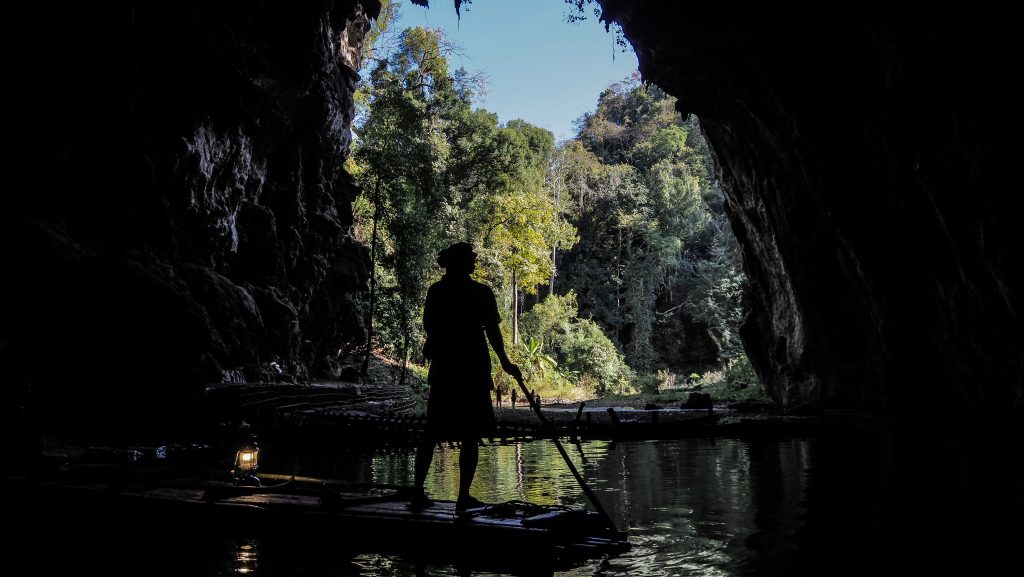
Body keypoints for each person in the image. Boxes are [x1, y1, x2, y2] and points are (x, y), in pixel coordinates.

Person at [410, 242, 522, 513]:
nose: (474, 262)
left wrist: (505, 362)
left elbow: (430, 327)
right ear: (459, 262)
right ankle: (461, 498)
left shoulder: (437, 291)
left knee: (433, 432)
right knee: (469, 434)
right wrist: (505, 363)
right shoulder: (480, 293)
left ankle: (418, 493)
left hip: (447, 368)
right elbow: (492, 333)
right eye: (471, 259)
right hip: (471, 367)